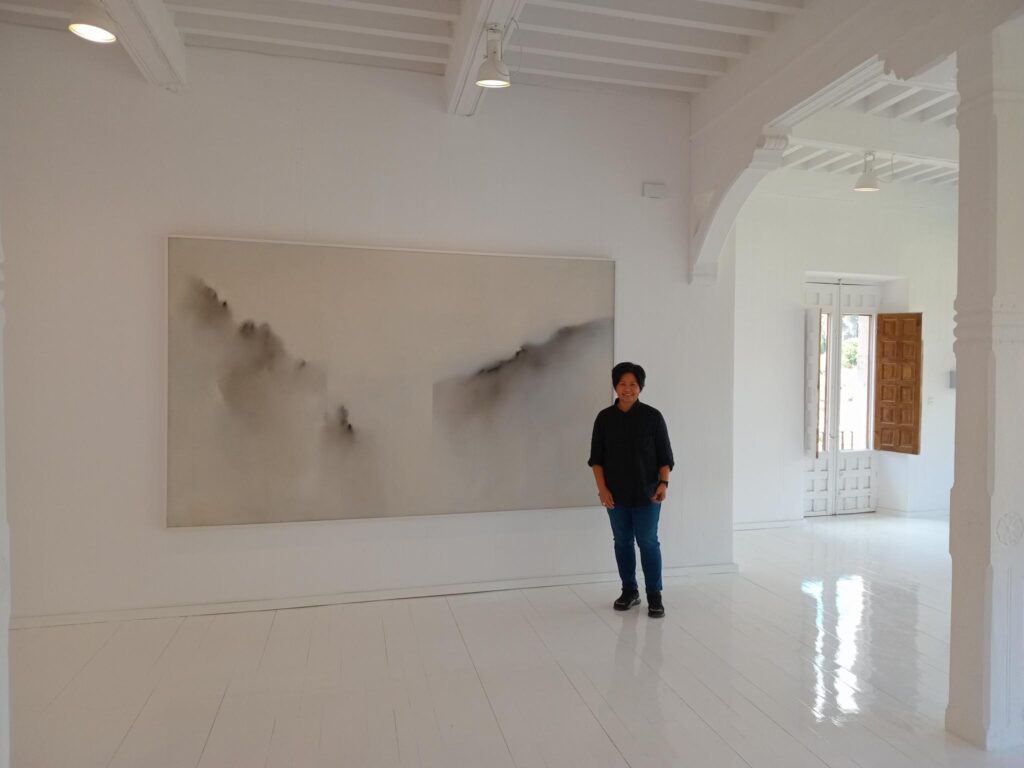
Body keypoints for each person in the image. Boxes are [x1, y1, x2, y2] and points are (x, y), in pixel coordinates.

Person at [588, 362, 674, 618]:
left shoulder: (652, 417)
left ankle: (655, 595)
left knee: (648, 542)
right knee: (622, 542)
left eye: (633, 384)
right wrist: (602, 490)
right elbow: (596, 459)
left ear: (641, 387)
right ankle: (629, 591)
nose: (627, 389)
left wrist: (663, 483)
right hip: (616, 495)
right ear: (615, 386)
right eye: (622, 384)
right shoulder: (604, 418)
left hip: (648, 494)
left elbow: (665, 456)